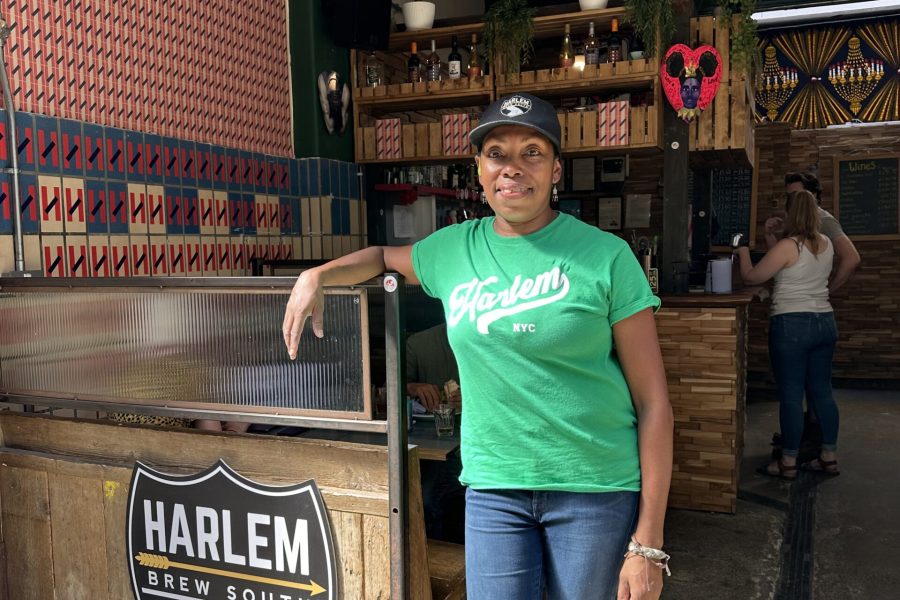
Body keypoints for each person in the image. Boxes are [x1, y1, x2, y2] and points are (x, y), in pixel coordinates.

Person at [282, 92, 673, 600]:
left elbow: (654, 404)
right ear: (479, 168)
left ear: (556, 169)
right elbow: (381, 255)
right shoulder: (453, 249)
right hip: (493, 490)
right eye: (497, 153)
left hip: (592, 489)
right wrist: (318, 275)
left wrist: (648, 543)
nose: (513, 168)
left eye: (532, 152)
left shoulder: (606, 257)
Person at [736, 190, 841, 479]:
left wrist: (743, 252)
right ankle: (829, 457)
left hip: (792, 325)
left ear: (790, 215)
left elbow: (752, 277)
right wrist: (773, 236)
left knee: (792, 397)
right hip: (824, 322)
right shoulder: (827, 244)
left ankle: (788, 463)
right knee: (822, 393)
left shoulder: (788, 246)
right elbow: (786, 265)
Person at [406, 322, 465, 542]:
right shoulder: (419, 343)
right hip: (425, 441)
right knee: (424, 498)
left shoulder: (489, 337)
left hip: (470, 445)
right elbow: (391, 385)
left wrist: (474, 398)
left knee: (429, 499)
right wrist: (413, 387)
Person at [766, 171, 860, 292]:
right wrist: (769, 235)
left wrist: (827, 290)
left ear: (813, 195)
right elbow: (780, 262)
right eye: (788, 196)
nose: (791, 201)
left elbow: (851, 258)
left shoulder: (825, 221)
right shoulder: (796, 220)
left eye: (796, 195)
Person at [406, 322, 460, 412]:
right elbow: (388, 391)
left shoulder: (490, 342)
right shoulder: (417, 343)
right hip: (426, 422)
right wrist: (412, 388)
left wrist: (475, 399)